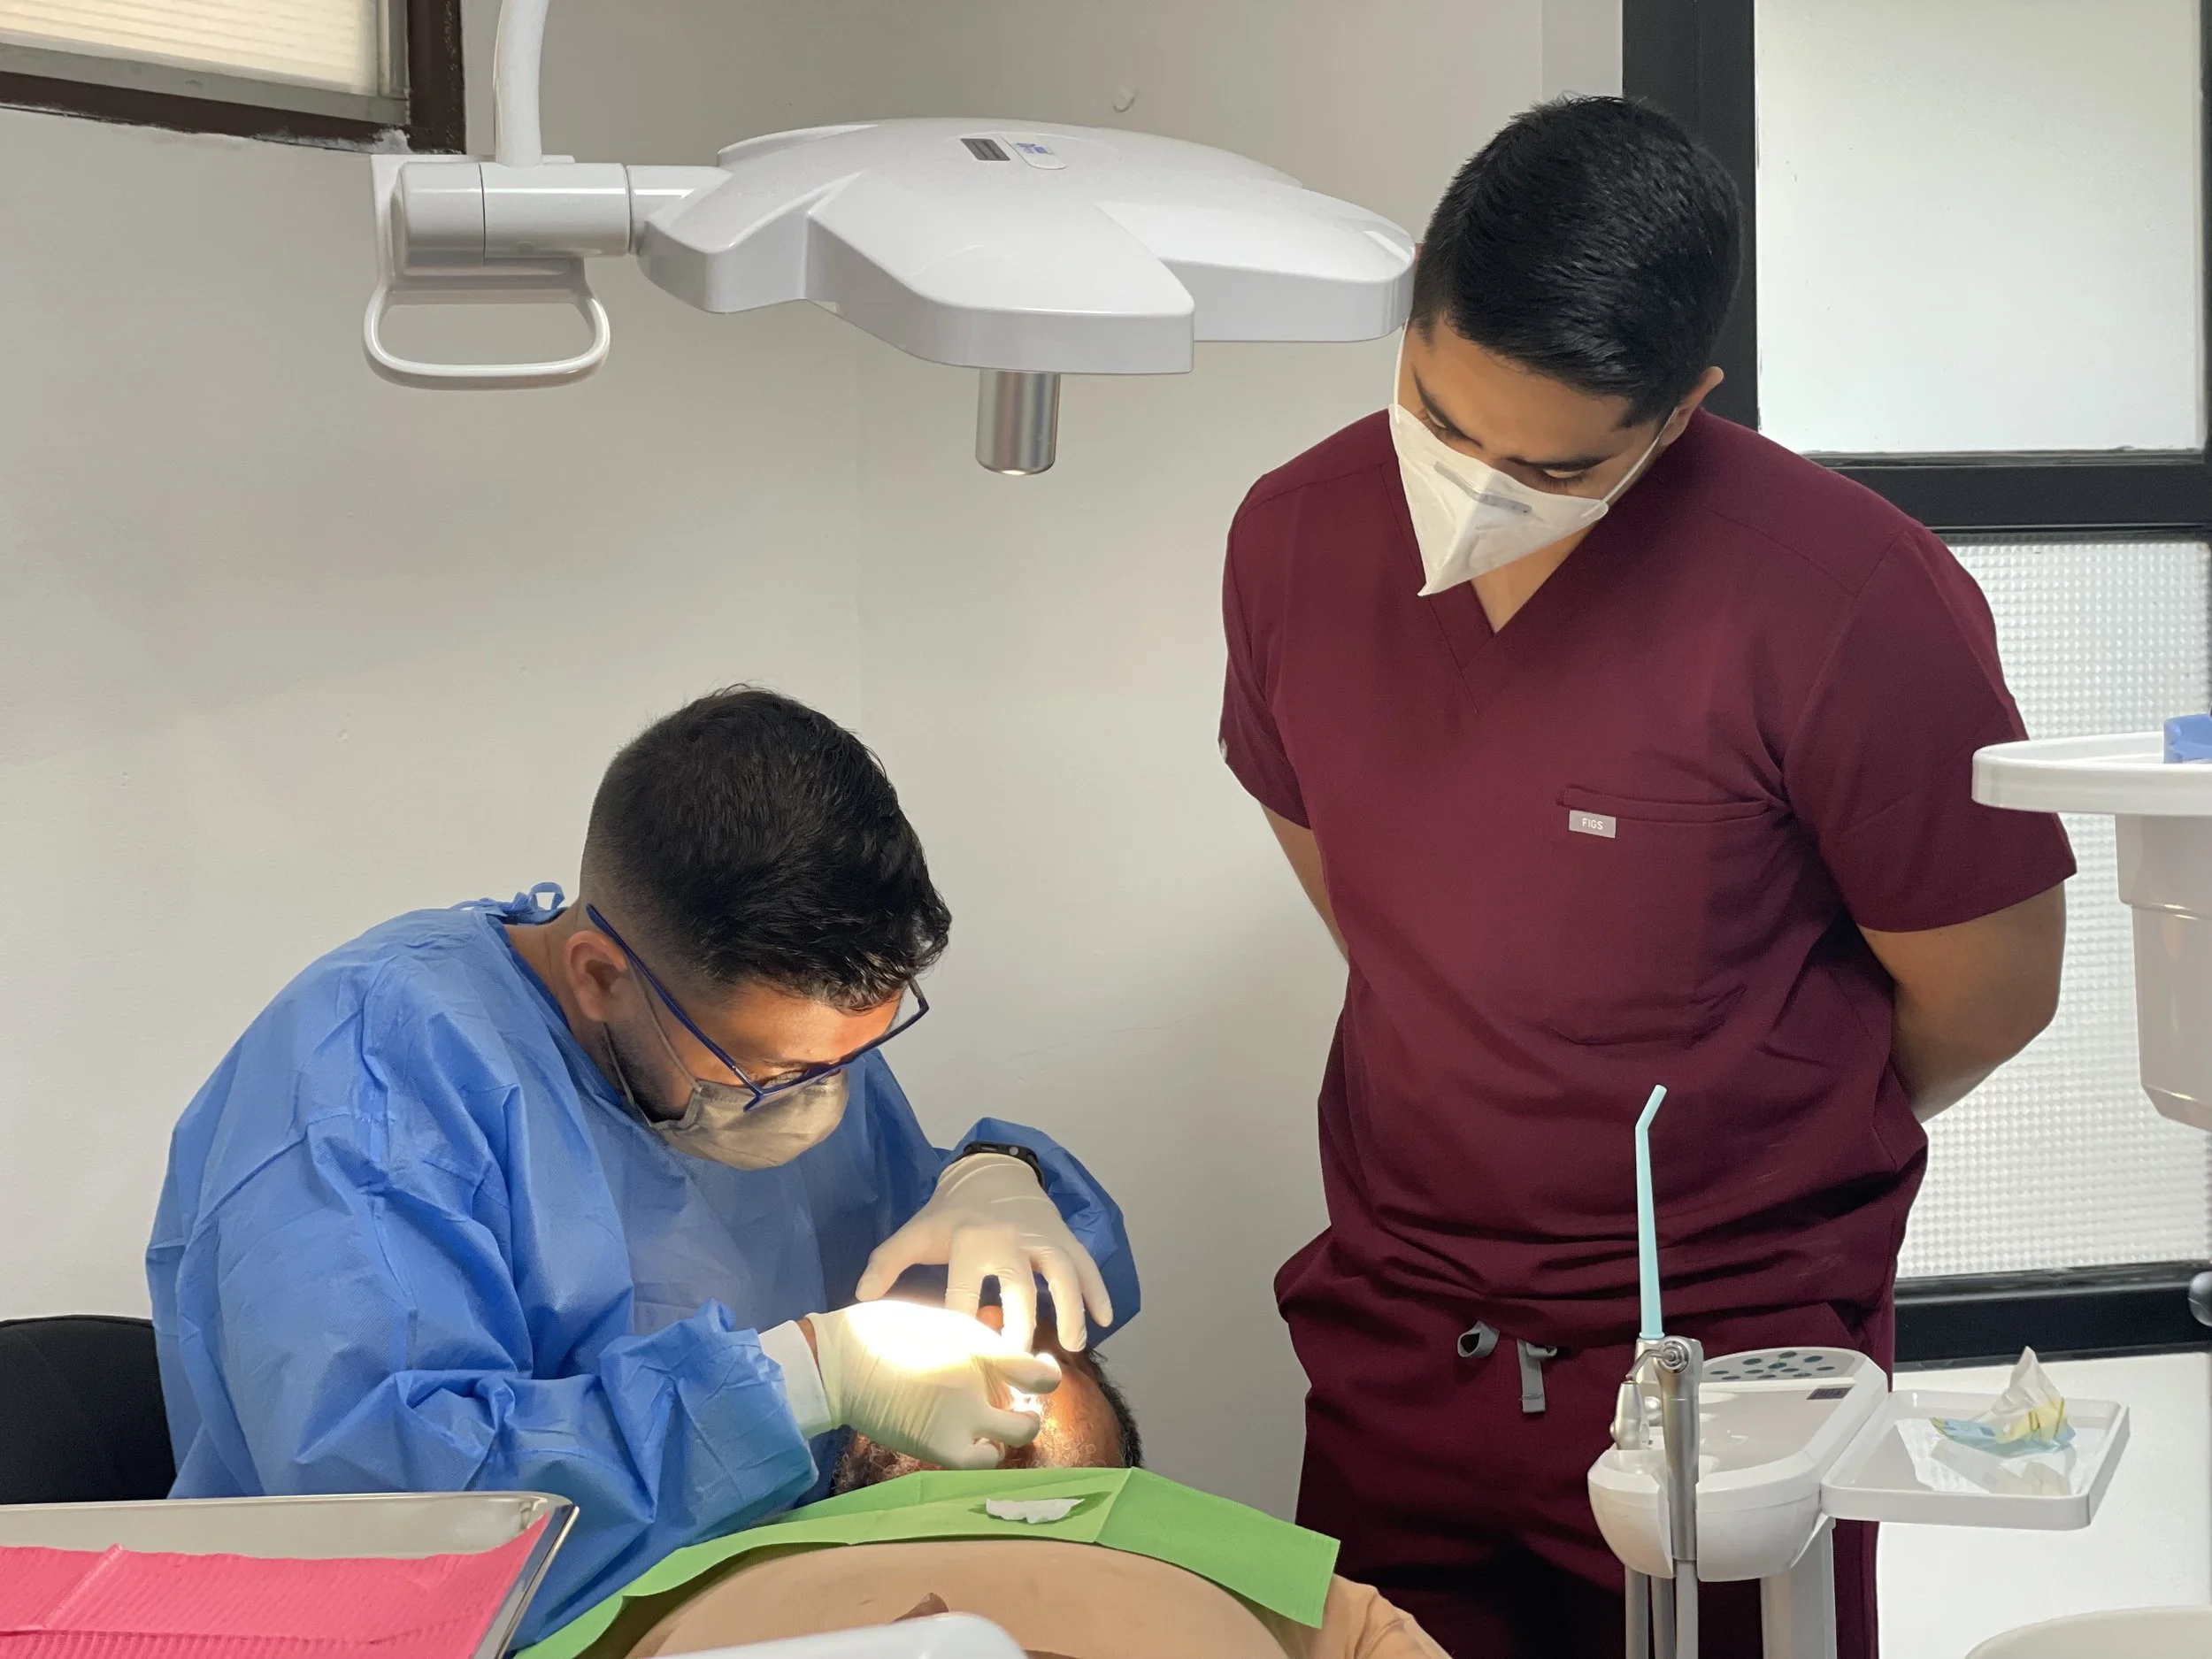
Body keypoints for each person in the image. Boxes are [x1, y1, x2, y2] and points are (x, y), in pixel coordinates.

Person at [1217, 97, 2072, 1658]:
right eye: (1437, 416)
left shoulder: (1848, 602)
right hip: (1407, 1335)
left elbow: (1992, 985)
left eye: (1551, 465)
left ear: (1684, 405)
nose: (1474, 487)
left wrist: (1754, 1133)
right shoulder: (1291, 538)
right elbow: (1366, 903)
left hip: (1723, 1368)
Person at [147, 687, 1137, 1644]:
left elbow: (906, 1277)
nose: (821, 1101)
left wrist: (999, 1181)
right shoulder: (367, 1081)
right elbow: (400, 1515)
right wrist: (793, 1383)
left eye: (851, 1058)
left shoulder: (771, 1042)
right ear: (600, 976)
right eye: (779, 1072)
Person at [535, 1305, 1446, 1659]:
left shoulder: (1233, 1559)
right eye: (931, 1367)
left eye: (1033, 1374)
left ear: (1118, 1461)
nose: (982, 1393)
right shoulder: (699, 1562)